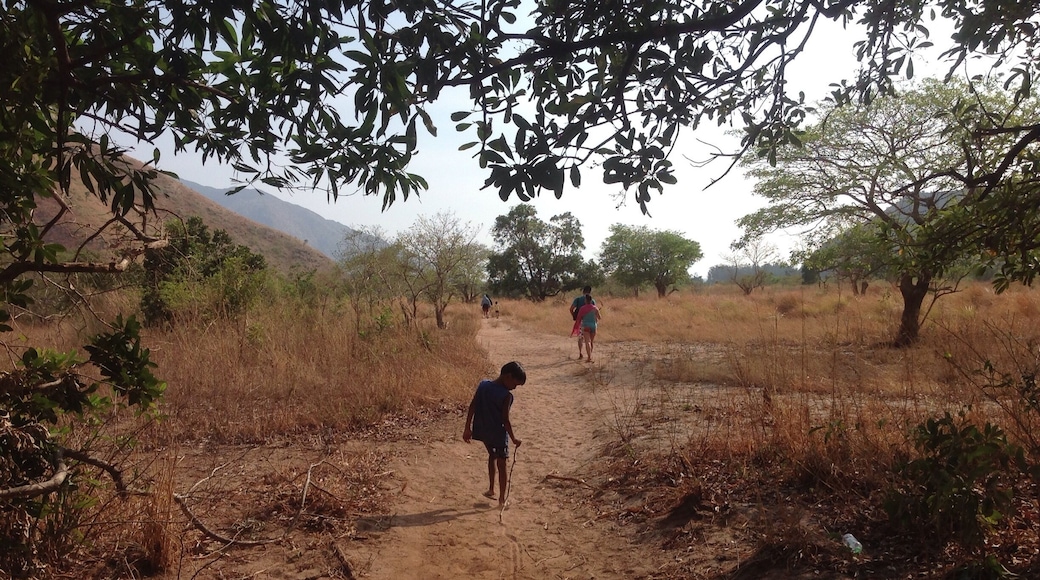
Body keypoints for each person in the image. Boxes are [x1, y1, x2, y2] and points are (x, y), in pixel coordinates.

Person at [462, 361, 526, 506]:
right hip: (498, 434)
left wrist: (467, 428)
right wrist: (514, 438)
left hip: (483, 431)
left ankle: (491, 489)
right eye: (515, 384)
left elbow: (473, 406)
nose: (515, 388)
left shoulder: (483, 385)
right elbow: (505, 420)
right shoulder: (506, 396)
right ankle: (502, 499)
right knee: (502, 464)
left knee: (492, 455)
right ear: (508, 377)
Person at [569, 286, 596, 359]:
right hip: (591, 321)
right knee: (590, 340)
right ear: (590, 292)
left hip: (581, 321)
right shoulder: (592, 300)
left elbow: (571, 309)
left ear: (583, 291)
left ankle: (580, 353)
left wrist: (574, 316)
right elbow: (594, 311)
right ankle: (590, 355)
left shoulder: (577, 299)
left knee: (580, 338)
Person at [571, 297, 602, 362]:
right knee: (591, 342)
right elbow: (599, 318)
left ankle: (589, 357)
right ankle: (590, 355)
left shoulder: (582, 308)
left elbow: (579, 317)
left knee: (587, 341)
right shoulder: (595, 308)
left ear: (585, 301)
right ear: (591, 301)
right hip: (594, 326)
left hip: (585, 326)